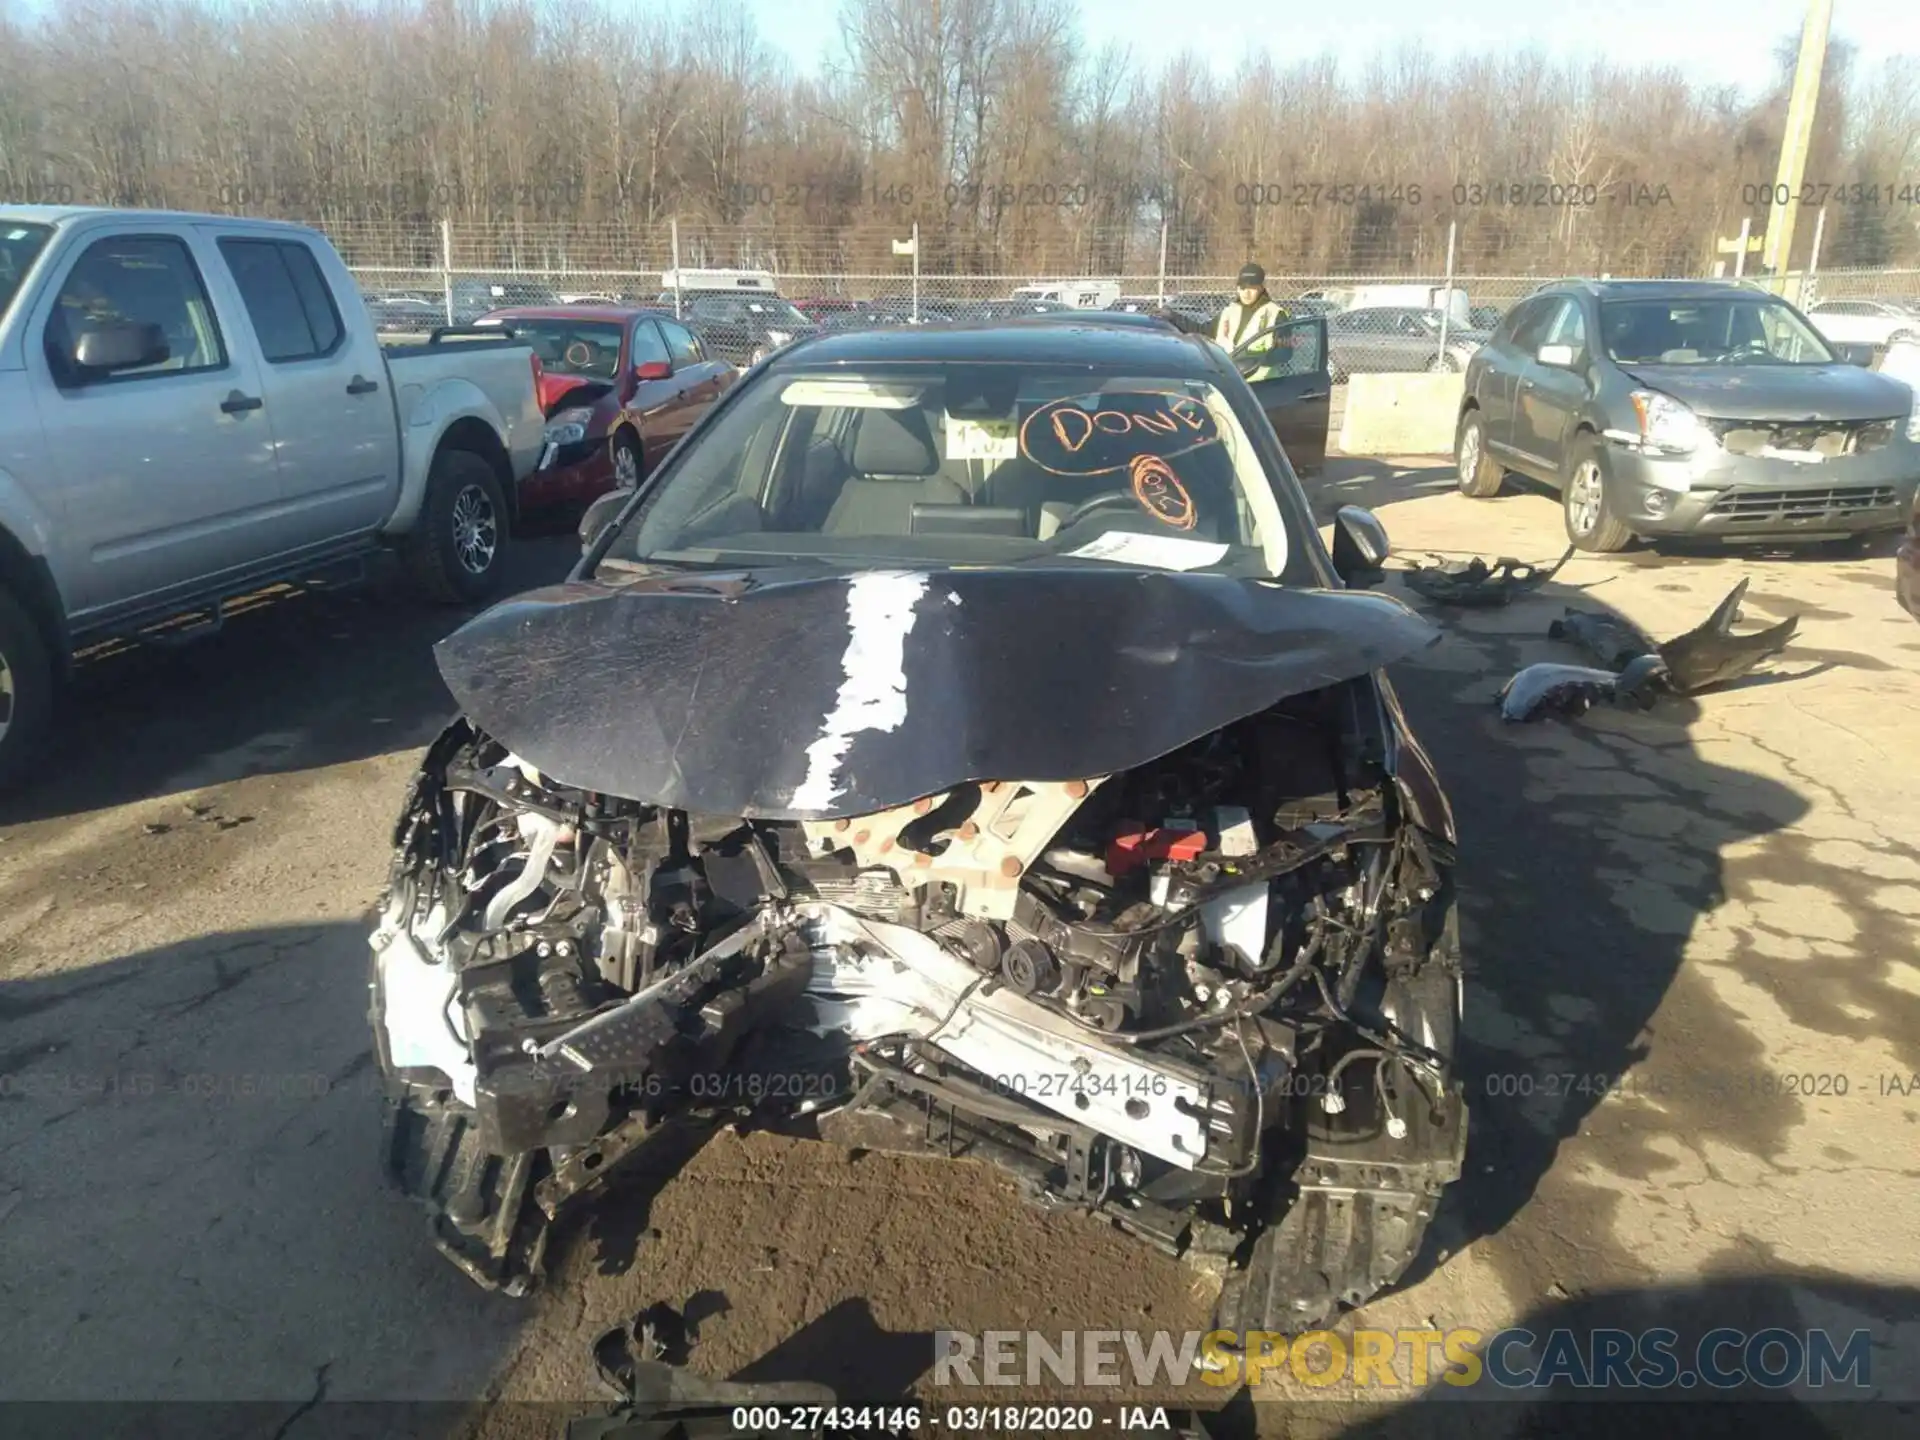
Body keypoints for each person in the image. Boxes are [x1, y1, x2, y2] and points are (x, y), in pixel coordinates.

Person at [1214, 263, 1288, 380]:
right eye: (1242, 288)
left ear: (1261, 288)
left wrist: (1250, 359)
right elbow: (1204, 330)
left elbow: (1284, 352)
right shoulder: (1229, 312)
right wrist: (1175, 318)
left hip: (1261, 384)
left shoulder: (1275, 314)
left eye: (1252, 288)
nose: (1246, 293)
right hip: (1230, 381)